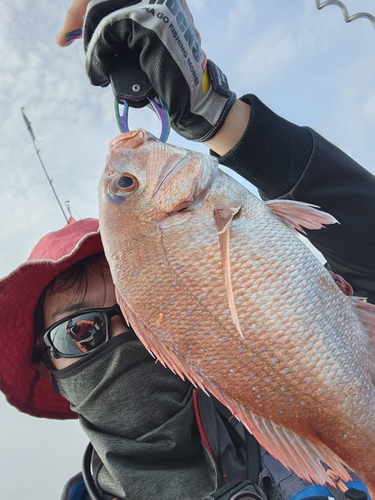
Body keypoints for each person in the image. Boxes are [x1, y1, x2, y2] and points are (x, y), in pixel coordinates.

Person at [1, 1, 375, 499]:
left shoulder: (316, 430)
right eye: (80, 332)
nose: (122, 337)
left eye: (139, 319)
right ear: (50, 367)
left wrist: (217, 115)